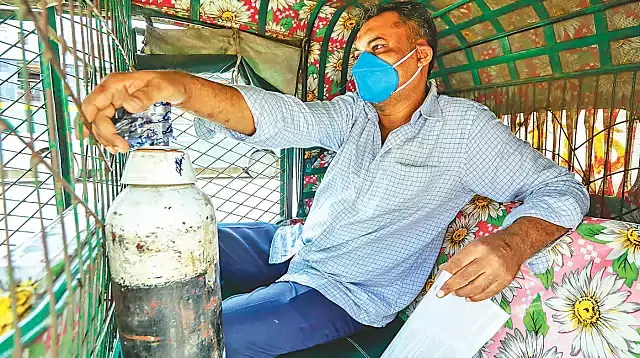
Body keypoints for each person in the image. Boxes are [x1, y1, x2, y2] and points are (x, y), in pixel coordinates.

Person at [77, 2, 589, 356]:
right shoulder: (355, 114)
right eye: (361, 51)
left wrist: (511, 243)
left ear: (422, 56)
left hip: (347, 289)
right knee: (159, 241)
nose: (365, 62)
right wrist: (178, 88)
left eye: (382, 48)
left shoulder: (464, 129)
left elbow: (563, 189)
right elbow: (286, 118)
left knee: (201, 338)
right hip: (294, 243)